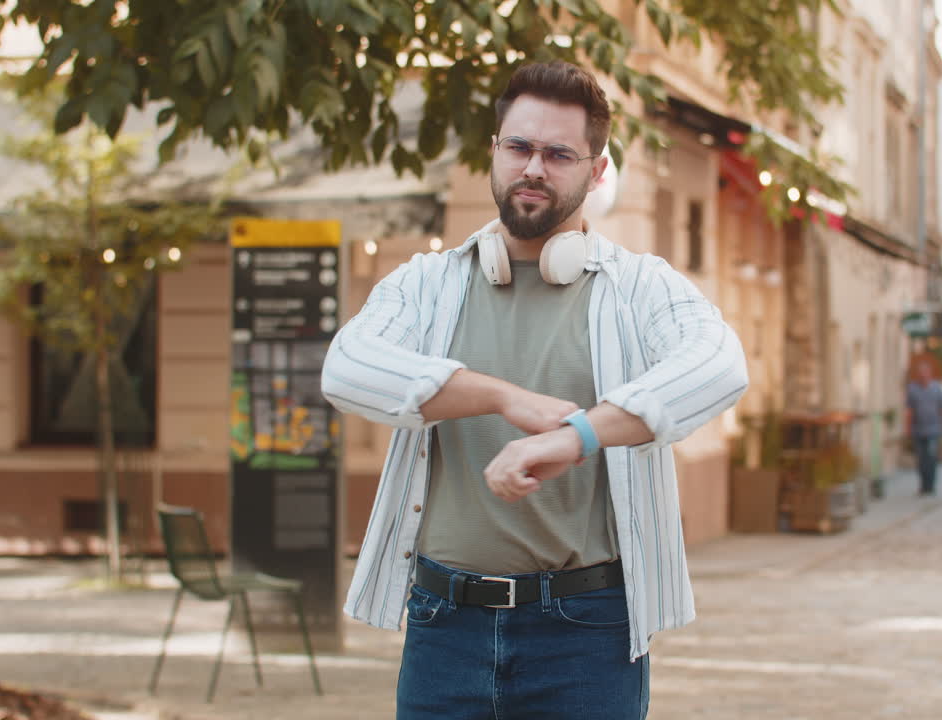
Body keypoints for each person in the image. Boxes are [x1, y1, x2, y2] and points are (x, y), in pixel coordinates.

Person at [321, 61, 748, 719]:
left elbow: (719, 365)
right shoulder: (425, 283)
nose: (534, 168)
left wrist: (578, 437)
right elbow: (346, 368)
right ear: (495, 152)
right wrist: (501, 397)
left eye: (559, 154)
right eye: (519, 147)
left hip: (587, 631)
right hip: (443, 625)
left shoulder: (641, 285)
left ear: (597, 172)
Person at [906, 359, 942, 496]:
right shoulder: (913, 389)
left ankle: (931, 485)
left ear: (930, 373)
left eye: (925, 372)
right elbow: (909, 411)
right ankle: (923, 485)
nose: (923, 375)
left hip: (934, 429)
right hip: (918, 430)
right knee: (921, 459)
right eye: (921, 373)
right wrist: (908, 429)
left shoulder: (937, 388)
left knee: (931, 457)